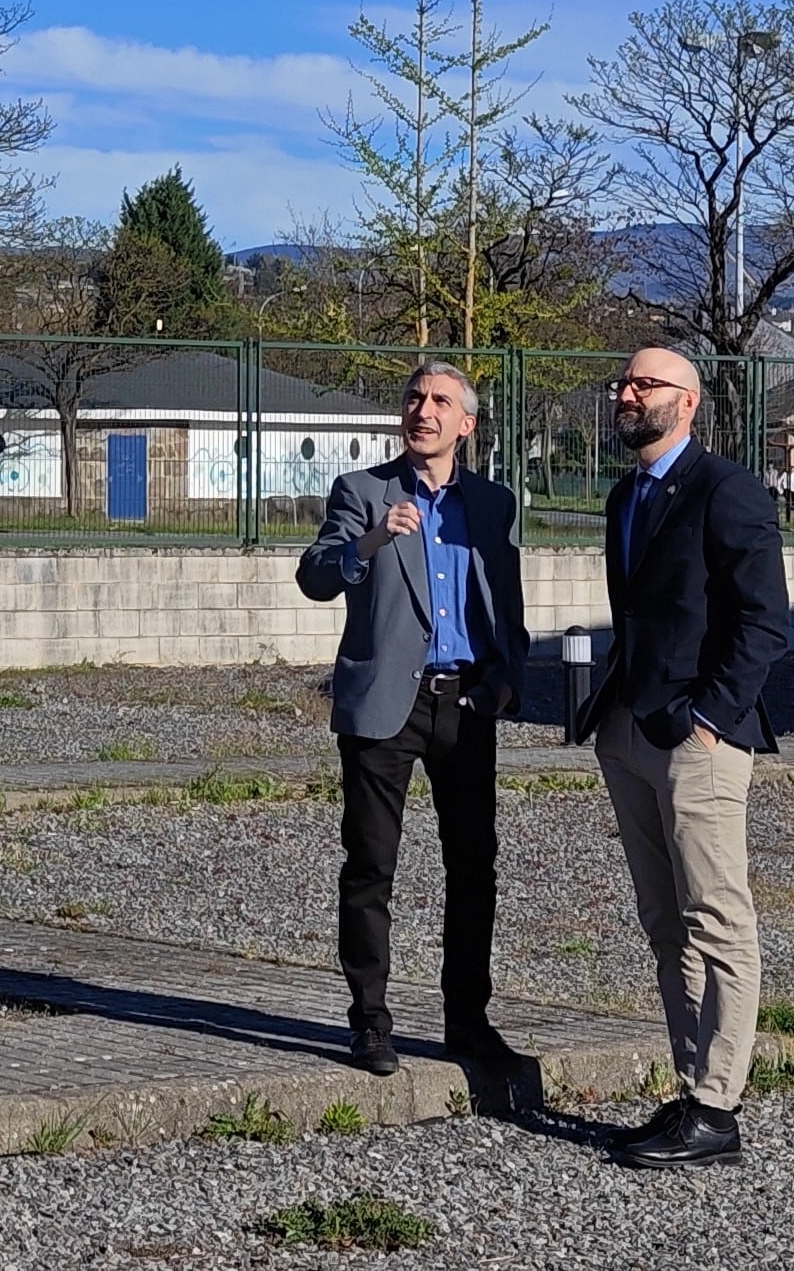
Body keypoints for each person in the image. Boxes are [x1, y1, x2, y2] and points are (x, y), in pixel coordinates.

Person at [575, 346, 791, 1168]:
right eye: (623, 383)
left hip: (696, 738)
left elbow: (763, 620)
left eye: (645, 383)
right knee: (665, 923)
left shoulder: (724, 489)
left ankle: (718, 1105)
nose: (626, 394)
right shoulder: (625, 492)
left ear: (688, 401)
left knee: (717, 918)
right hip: (629, 730)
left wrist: (708, 717)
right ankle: (690, 1086)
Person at [295, 360, 529, 1075]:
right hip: (382, 706)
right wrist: (367, 542)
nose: (421, 410)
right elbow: (315, 574)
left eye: (439, 401)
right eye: (413, 398)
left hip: (465, 703)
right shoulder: (361, 491)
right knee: (369, 866)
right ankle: (368, 1021)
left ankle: (467, 1020)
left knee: (473, 867)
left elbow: (506, 602)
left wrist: (505, 679)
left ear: (466, 422)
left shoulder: (493, 503)